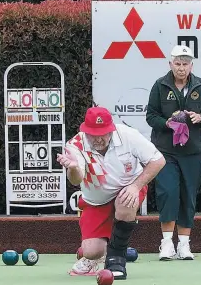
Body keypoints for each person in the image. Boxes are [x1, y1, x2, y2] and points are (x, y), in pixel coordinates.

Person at [57, 107, 165, 279]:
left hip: (128, 188)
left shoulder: (129, 135)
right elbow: (76, 180)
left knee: (126, 199)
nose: (99, 139)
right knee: (91, 251)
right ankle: (97, 256)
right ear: (85, 131)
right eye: (93, 134)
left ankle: (116, 258)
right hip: (96, 200)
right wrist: (73, 168)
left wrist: (136, 186)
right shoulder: (74, 146)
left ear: (112, 129)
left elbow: (158, 160)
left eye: (104, 133)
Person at [146, 45, 201, 261]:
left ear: (191, 66)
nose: (181, 68)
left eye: (185, 64)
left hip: (193, 150)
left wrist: (200, 118)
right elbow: (151, 116)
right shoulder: (160, 85)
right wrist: (167, 122)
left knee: (188, 194)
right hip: (166, 151)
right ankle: (166, 243)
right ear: (170, 64)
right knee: (167, 192)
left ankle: (184, 245)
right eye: (177, 63)